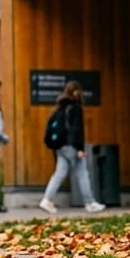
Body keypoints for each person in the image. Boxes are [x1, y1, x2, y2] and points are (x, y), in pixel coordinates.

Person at [39, 80, 106, 213]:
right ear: (76, 92)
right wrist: (80, 148)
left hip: (60, 147)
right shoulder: (75, 108)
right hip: (71, 146)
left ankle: (47, 200)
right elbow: (76, 130)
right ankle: (90, 202)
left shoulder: (60, 107)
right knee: (82, 174)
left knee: (59, 173)